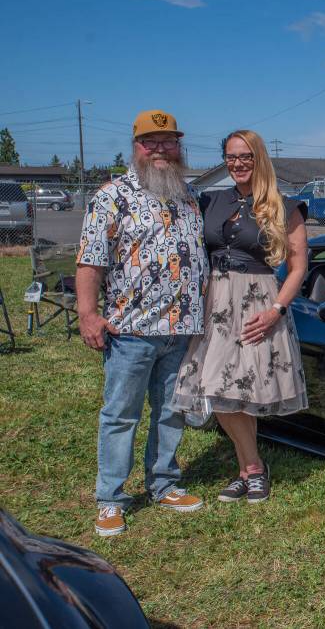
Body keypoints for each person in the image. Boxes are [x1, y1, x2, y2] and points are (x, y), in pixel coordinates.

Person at [76, 109, 209, 537]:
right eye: (150, 141)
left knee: (170, 412)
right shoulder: (112, 196)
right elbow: (90, 259)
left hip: (180, 330)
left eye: (168, 141)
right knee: (121, 415)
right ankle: (111, 499)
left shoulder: (188, 197)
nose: (160, 148)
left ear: (178, 147)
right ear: (136, 147)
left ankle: (164, 483)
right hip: (130, 330)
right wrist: (88, 314)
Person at [171, 129, 308, 504]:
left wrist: (276, 311)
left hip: (259, 302)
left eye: (245, 156)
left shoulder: (284, 205)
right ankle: (252, 468)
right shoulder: (209, 201)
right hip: (215, 303)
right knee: (217, 387)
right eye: (231, 157)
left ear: (259, 158)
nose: (237, 164)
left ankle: (246, 472)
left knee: (243, 390)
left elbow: (298, 267)